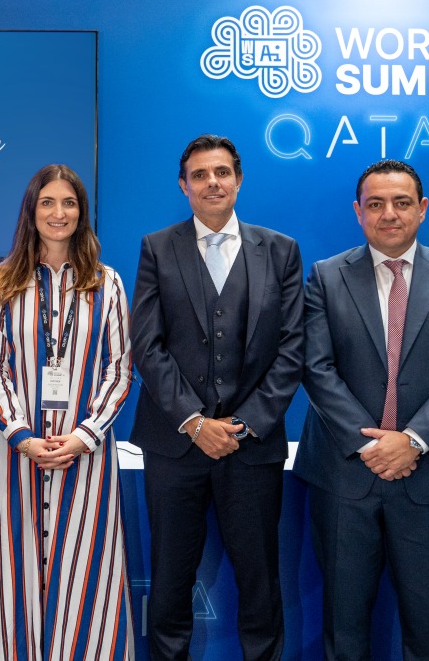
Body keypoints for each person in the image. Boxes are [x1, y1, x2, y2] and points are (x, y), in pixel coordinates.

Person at [295, 159, 429, 660]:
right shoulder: (325, 277)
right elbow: (315, 368)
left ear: (422, 209)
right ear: (358, 211)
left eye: (401, 203)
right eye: (376, 204)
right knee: (343, 627)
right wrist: (371, 445)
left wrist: (412, 441)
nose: (389, 214)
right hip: (345, 476)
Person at [130, 134, 303, 661]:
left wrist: (244, 424)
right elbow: (147, 346)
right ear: (183, 186)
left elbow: (292, 349)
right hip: (174, 446)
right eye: (200, 175)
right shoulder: (157, 247)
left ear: (239, 180)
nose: (212, 182)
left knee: (259, 579)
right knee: (170, 578)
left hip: (252, 448)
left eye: (222, 172)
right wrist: (194, 421)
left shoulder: (280, 250)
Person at [0, 164, 135, 659]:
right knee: (17, 573)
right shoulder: (2, 282)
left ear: (81, 212)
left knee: (85, 575)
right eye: (47, 202)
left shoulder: (107, 283)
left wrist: (84, 436)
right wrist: (21, 435)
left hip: (85, 454)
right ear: (31, 210)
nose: (58, 212)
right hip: (17, 455)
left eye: (69, 203)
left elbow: (119, 369)